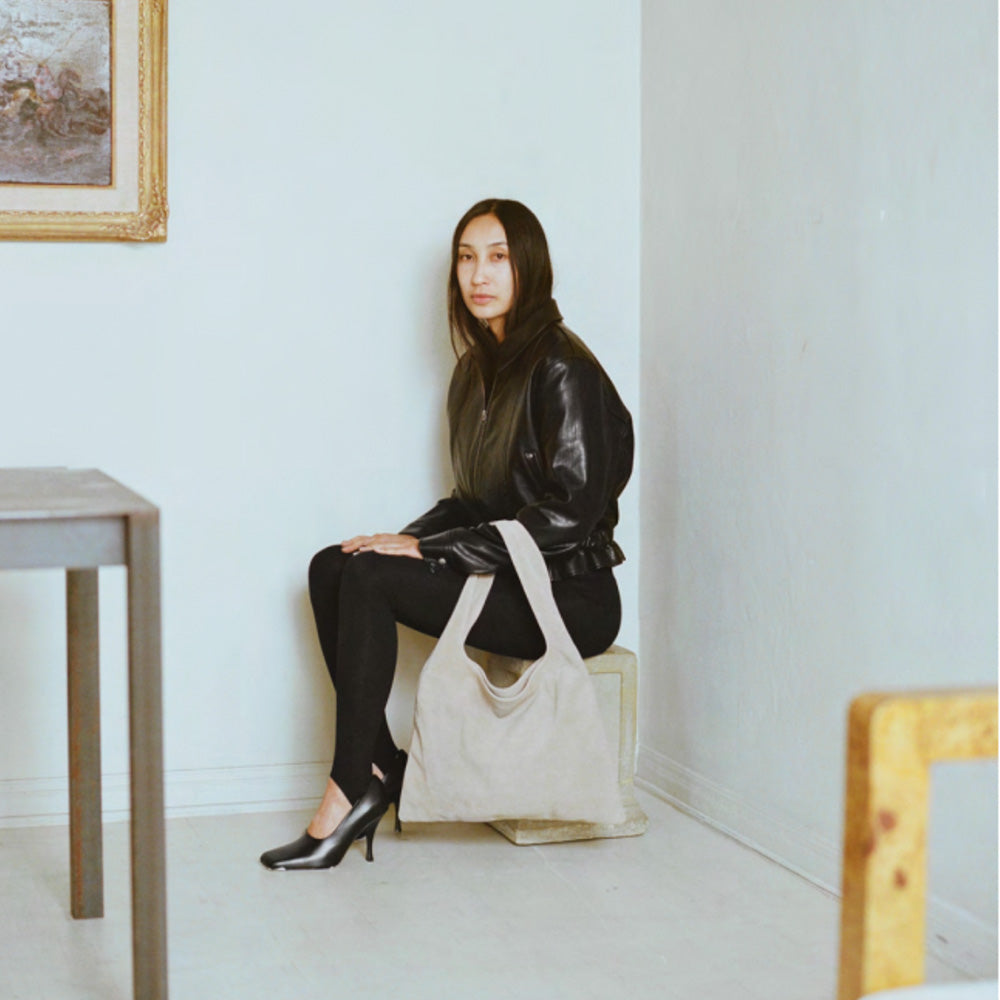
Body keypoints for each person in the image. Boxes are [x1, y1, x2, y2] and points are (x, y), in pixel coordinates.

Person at [260, 198, 634, 871]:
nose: (478, 274)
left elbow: (569, 515)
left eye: (497, 257)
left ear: (529, 269)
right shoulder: (476, 373)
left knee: (371, 577)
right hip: (515, 576)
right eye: (466, 258)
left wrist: (429, 553)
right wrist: (402, 537)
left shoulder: (561, 367)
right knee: (335, 566)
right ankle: (376, 770)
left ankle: (347, 794)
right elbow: (473, 500)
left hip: (571, 596)